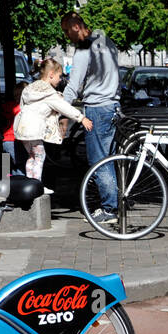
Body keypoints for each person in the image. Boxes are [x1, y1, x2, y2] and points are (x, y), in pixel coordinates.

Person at [61, 12, 120, 222]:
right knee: (109, 157)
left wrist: (60, 109)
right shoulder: (107, 42)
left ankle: (109, 209)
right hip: (113, 105)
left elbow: (73, 87)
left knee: (98, 160)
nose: (67, 36)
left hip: (97, 107)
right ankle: (112, 203)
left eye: (67, 31)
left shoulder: (84, 50)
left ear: (76, 26)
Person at [14, 58, 92, 181]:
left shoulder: (29, 89)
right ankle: (37, 184)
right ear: (51, 75)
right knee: (40, 156)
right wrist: (81, 118)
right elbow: (64, 107)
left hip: (22, 128)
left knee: (31, 156)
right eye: (59, 76)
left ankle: (29, 181)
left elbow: (22, 107)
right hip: (35, 130)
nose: (60, 79)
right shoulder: (49, 94)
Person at [1, 82, 25, 172]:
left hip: (5, 140)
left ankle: (14, 184)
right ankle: (20, 184)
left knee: (14, 166)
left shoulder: (8, 106)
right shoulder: (21, 109)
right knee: (21, 165)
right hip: (14, 141)